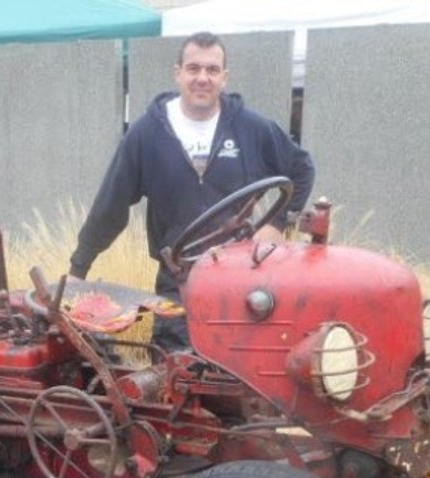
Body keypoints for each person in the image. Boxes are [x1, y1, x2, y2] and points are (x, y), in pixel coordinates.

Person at [69, 31, 315, 351]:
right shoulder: (146, 135)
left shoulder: (250, 128)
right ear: (178, 73)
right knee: (178, 377)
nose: (203, 78)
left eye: (212, 70)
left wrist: (278, 224)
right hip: (179, 283)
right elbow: (110, 206)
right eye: (194, 68)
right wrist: (78, 269)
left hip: (242, 279)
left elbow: (302, 168)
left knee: (251, 373)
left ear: (224, 77)